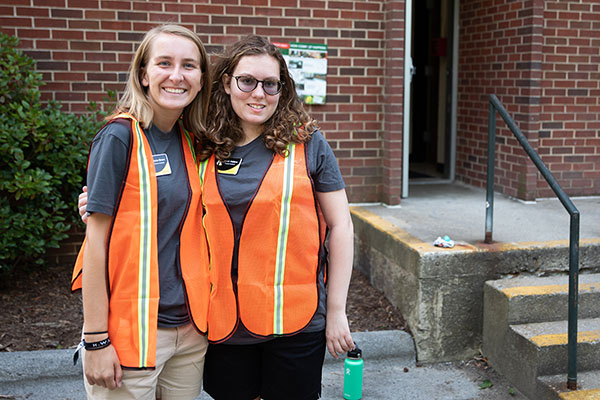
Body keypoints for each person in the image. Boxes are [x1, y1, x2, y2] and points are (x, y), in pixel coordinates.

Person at [198, 35, 355, 400]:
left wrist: (337, 311)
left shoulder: (308, 142)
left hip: (296, 323)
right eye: (247, 81)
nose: (259, 93)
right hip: (224, 324)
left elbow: (342, 226)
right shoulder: (201, 143)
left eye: (270, 84)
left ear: (281, 89)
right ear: (226, 83)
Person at [71, 24, 211, 399]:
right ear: (143, 74)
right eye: (164, 63)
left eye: (189, 66)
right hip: (132, 334)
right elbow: (95, 246)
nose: (176, 75)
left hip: (190, 334)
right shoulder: (119, 137)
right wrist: (96, 340)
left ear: (201, 79)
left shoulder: (191, 141)